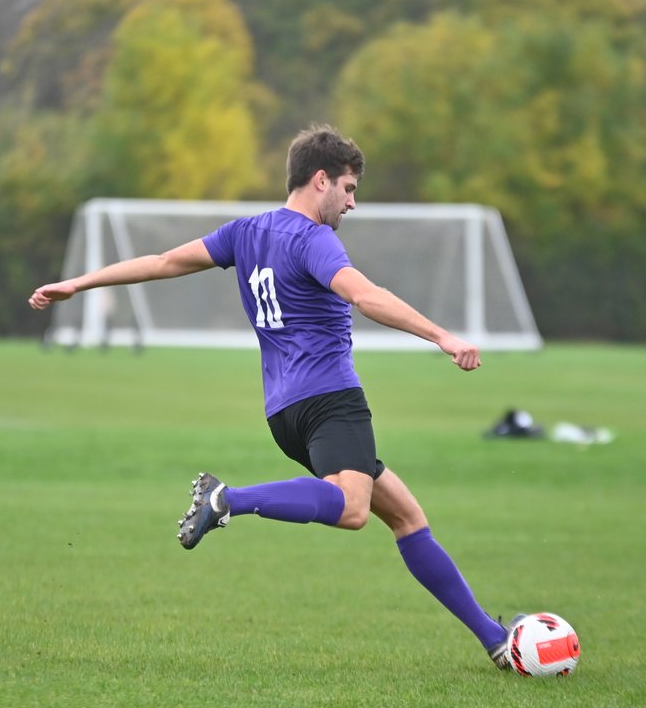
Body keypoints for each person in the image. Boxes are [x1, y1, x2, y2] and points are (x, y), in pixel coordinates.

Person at [28, 125, 520, 667]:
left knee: (406, 517)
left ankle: (494, 640)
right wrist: (442, 336)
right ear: (320, 180)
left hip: (284, 414)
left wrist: (79, 283)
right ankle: (228, 499)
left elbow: (164, 261)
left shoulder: (246, 232)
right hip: (331, 399)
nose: (352, 202)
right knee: (354, 510)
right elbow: (365, 295)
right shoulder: (314, 240)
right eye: (349, 188)